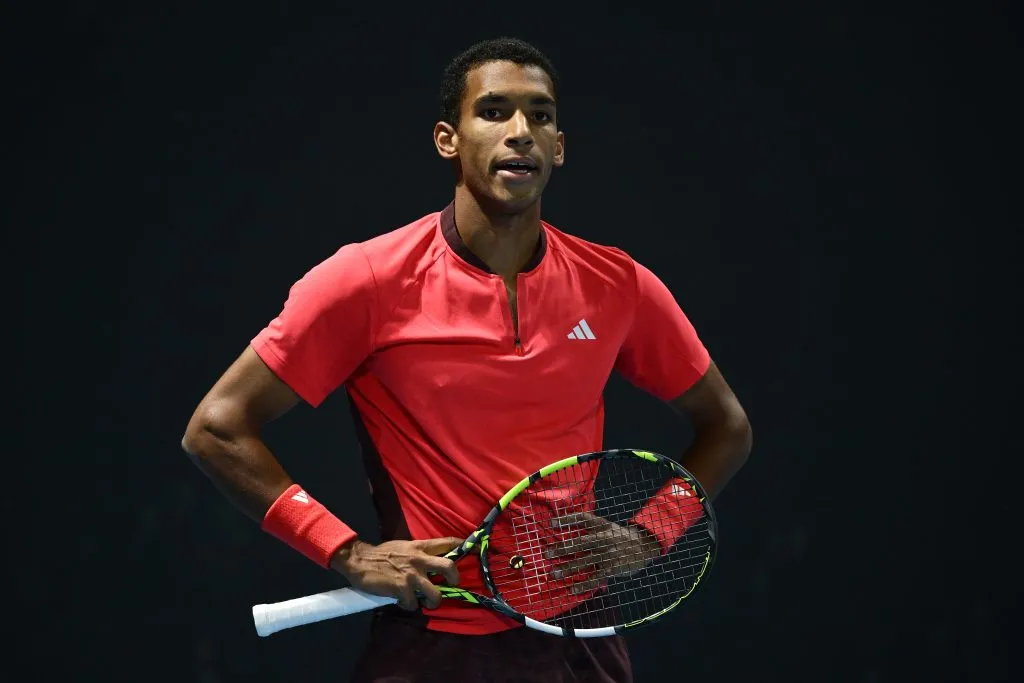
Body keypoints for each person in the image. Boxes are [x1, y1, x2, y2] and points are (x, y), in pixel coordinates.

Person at [181, 36, 752, 682]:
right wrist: (345, 551)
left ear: (559, 147)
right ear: (447, 140)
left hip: (581, 643)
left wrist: (648, 535)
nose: (521, 131)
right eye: (494, 111)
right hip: (435, 646)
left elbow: (727, 427)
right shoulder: (368, 280)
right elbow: (216, 428)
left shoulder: (617, 284)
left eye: (540, 115)